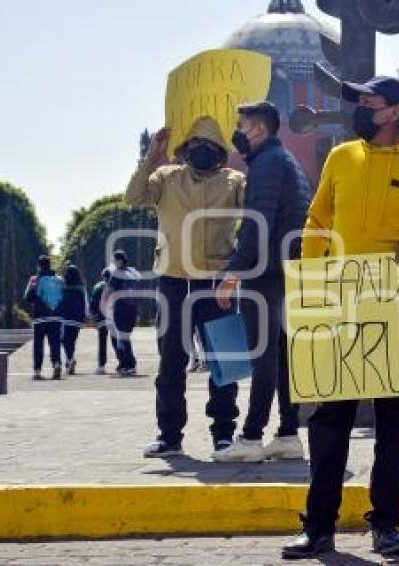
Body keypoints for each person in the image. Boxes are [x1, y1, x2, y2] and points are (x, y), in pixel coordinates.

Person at [281, 77, 399, 560]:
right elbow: (316, 221)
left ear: (397, 111)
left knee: (396, 421)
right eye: (362, 101)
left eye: (371, 102)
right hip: (341, 301)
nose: (362, 108)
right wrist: (312, 279)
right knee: (329, 419)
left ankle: (386, 525)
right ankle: (318, 526)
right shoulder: (341, 157)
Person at [125, 116, 245, 458]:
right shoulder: (165, 178)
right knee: (171, 362)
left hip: (217, 281)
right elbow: (133, 197)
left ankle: (224, 433)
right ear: (184, 150)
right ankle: (169, 435)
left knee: (223, 361)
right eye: (195, 145)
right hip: (174, 280)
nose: (202, 151)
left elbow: (256, 213)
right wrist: (151, 156)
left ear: (220, 152)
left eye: (209, 146)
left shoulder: (233, 181)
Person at [213, 101, 311, 463]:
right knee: (283, 357)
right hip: (285, 272)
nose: (236, 131)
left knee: (263, 357)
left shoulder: (268, 164)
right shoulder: (286, 161)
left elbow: (257, 222)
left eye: (240, 124)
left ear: (259, 128)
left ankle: (252, 438)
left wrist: (234, 273)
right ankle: (288, 434)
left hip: (265, 273)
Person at [24, 255, 64, 380]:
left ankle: (37, 371)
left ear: (39, 265)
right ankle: (56, 364)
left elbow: (27, 297)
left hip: (39, 317)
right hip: (56, 317)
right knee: (55, 343)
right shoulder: (59, 280)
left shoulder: (34, 280)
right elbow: (64, 297)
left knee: (38, 345)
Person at [106, 250, 140, 377]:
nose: (113, 263)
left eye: (114, 260)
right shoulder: (133, 273)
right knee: (124, 338)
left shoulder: (116, 274)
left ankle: (130, 365)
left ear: (119, 261)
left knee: (122, 338)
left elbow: (108, 290)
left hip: (121, 309)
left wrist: (103, 304)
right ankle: (125, 364)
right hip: (132, 309)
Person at [58, 264, 87, 376]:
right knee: (72, 340)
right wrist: (86, 315)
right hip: (77, 318)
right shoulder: (81, 288)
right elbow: (85, 303)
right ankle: (70, 359)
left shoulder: (63, 287)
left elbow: (59, 301)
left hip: (65, 317)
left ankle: (69, 360)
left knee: (65, 340)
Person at [89, 268, 113, 375]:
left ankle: (101, 366)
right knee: (118, 342)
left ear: (103, 276)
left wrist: (93, 315)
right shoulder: (116, 286)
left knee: (102, 343)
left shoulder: (98, 287)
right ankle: (124, 363)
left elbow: (94, 303)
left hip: (102, 319)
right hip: (114, 319)